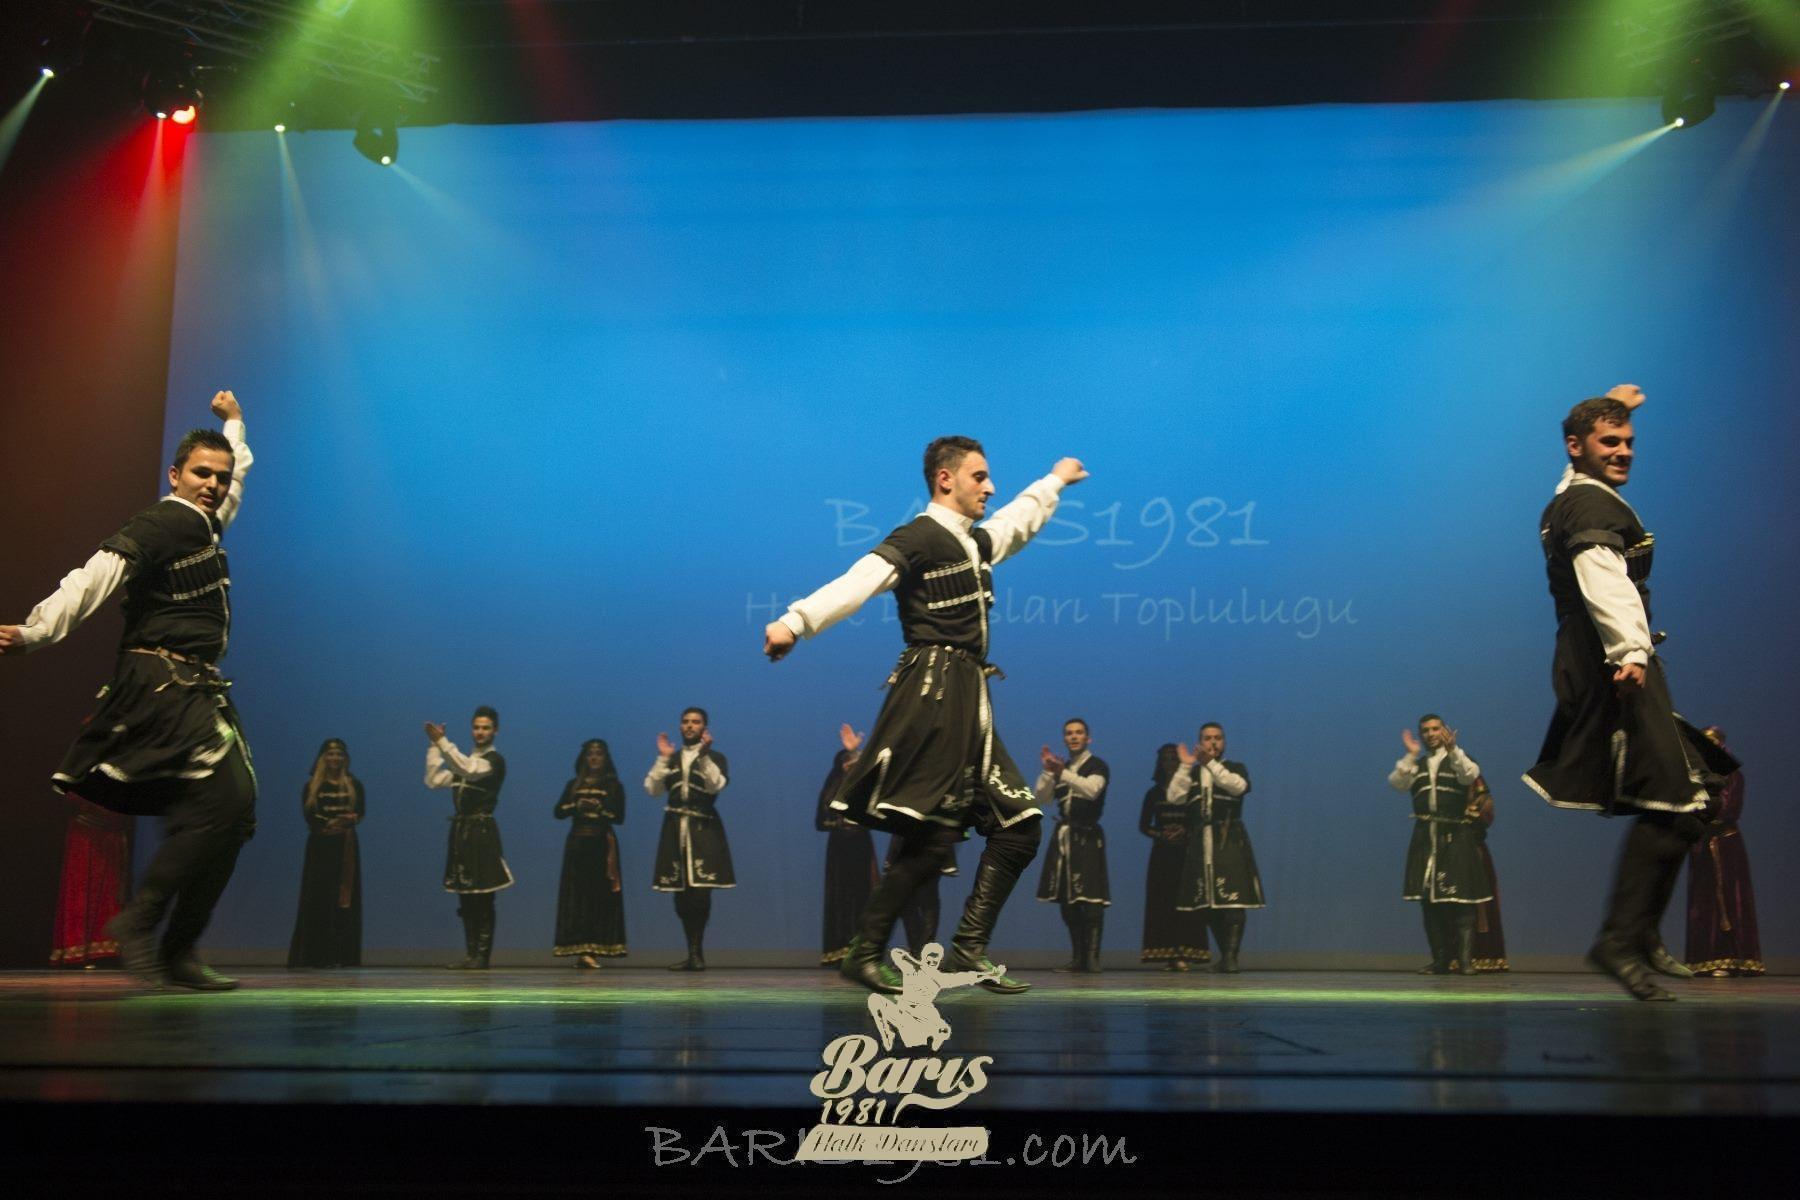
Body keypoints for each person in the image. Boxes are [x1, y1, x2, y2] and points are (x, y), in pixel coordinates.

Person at [765, 437, 1088, 995]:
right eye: (979, 477)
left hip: (968, 696)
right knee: (933, 835)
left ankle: (965, 949)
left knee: (1019, 825)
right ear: (945, 479)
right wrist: (795, 622)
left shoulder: (972, 543)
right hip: (934, 694)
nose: (990, 487)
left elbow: (1016, 523)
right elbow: (860, 580)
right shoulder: (918, 536)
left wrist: (1054, 481)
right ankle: (867, 951)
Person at [2, 391, 256, 991]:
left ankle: (178, 949)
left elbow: (235, 481)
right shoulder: (165, 521)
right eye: (201, 474)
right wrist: (37, 630)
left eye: (219, 477)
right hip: (162, 686)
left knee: (234, 815)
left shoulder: (204, 524)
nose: (214, 485)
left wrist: (234, 425)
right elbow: (98, 573)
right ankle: (142, 922)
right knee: (230, 801)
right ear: (174, 475)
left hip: (195, 687)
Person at [1521, 384, 1737, 1000]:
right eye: (1609, 441)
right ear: (1576, 446)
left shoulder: (1574, 492)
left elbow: (1581, 454)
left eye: (1628, 442)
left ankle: (1637, 934)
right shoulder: (1589, 506)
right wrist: (1631, 651)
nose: (1623, 451)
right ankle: (1619, 940)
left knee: (1694, 802)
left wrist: (1610, 406)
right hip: (1613, 664)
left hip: (1608, 659)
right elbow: (1603, 579)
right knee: (1676, 802)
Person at [1387, 715, 1491, 977]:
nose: (1431, 734)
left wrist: (1454, 749)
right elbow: (1397, 783)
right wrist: (1411, 755)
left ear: (1444, 731)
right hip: (1426, 838)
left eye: (1436, 729)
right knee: (1430, 903)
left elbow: (1469, 775)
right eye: (1426, 730)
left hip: (1455, 835)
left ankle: (1465, 962)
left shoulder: (1459, 759)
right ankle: (1440, 961)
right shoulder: (1418, 765)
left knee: (1463, 900)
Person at [645, 707, 734, 971]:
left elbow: (715, 785)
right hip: (675, 828)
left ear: (704, 727)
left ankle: (697, 952)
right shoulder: (671, 759)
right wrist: (663, 758)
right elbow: (652, 789)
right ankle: (691, 952)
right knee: (680, 893)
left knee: (700, 892)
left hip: (703, 827)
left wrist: (704, 757)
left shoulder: (715, 757)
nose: (690, 726)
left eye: (695, 722)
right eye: (685, 722)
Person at [1169, 723, 1262, 973]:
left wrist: (1210, 763)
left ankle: (1231, 958)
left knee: (1233, 900)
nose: (1213, 742)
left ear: (1224, 742)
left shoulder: (1235, 768)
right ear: (1200, 742)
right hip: (1202, 842)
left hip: (1228, 839)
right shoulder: (1194, 773)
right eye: (1207, 738)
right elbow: (1174, 797)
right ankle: (1225, 957)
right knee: (1207, 903)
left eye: (1217, 738)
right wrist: (1185, 765)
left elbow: (1237, 787)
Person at [424, 707, 512, 970]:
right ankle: (471, 953)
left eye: (485, 727)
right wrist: (434, 746)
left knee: (483, 896)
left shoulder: (494, 761)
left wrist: (442, 741)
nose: (480, 732)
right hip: (461, 833)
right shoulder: (463, 761)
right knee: (465, 895)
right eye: (476, 727)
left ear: (495, 730)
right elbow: (433, 780)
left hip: (481, 833)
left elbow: (468, 769)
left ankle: (482, 956)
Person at [1034, 717, 1111, 973]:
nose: (1074, 737)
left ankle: (1093, 959)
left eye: (1079, 733)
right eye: (1069, 733)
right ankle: (1078, 958)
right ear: (1065, 738)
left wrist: (1062, 774)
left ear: (1088, 738)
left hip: (1087, 836)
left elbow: (1092, 790)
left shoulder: (1097, 765)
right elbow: (1041, 798)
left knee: (1092, 900)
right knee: (1067, 901)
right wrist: (1048, 771)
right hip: (1064, 837)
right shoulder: (1061, 767)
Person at [1684, 727, 1762, 977]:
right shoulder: (1695, 774)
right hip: (1702, 843)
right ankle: (1707, 960)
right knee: (1703, 902)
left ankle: (1735, 960)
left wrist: (1705, 815)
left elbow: (1730, 810)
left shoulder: (1732, 774)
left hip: (1726, 844)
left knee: (1732, 899)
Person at [287, 738, 365, 968]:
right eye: (330, 754)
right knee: (318, 898)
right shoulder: (312, 786)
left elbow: (360, 812)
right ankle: (316, 955)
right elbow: (311, 816)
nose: (335, 758)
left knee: (345, 899)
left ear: (345, 758)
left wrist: (346, 820)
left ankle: (343, 956)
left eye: (339, 754)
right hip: (320, 847)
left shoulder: (354, 784)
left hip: (346, 847)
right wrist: (331, 822)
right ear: (323, 758)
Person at [553, 738, 628, 968]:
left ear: (606, 758)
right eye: (590, 754)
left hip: (601, 846)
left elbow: (619, 817)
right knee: (577, 897)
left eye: (599, 753)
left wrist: (600, 808)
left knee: (599, 896)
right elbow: (558, 812)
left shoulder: (613, 786)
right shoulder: (573, 784)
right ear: (584, 758)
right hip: (577, 845)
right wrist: (576, 806)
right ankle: (580, 949)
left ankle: (596, 948)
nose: (594, 757)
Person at [1139, 743, 1210, 970]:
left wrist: (1185, 832)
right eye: (1166, 759)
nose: (1169, 763)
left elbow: (1198, 820)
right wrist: (1161, 835)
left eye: (1173, 759)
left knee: (1185, 903)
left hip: (1185, 854)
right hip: (1161, 855)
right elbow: (1143, 826)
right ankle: (1168, 954)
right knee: (1163, 902)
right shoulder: (1153, 794)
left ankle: (1185, 953)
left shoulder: (1189, 790)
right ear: (1160, 763)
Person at [818, 724, 880, 967]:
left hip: (861, 844)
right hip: (840, 847)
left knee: (865, 895)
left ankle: (863, 950)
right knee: (840, 898)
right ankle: (840, 950)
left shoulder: (866, 786)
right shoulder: (834, 784)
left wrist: (856, 755)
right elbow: (823, 816)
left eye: (855, 762)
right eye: (847, 762)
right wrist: (847, 760)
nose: (851, 765)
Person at [48, 798, 131, 968]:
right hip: (87, 833)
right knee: (81, 891)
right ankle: (81, 950)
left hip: (111, 833)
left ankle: (105, 951)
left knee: (110, 894)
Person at [1465, 777, 1509, 973]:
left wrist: (1469, 814)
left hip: (1473, 849)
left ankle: (1484, 955)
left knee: (1481, 903)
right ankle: (1453, 957)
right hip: (1449, 848)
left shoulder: (1475, 779)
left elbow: (1486, 811)